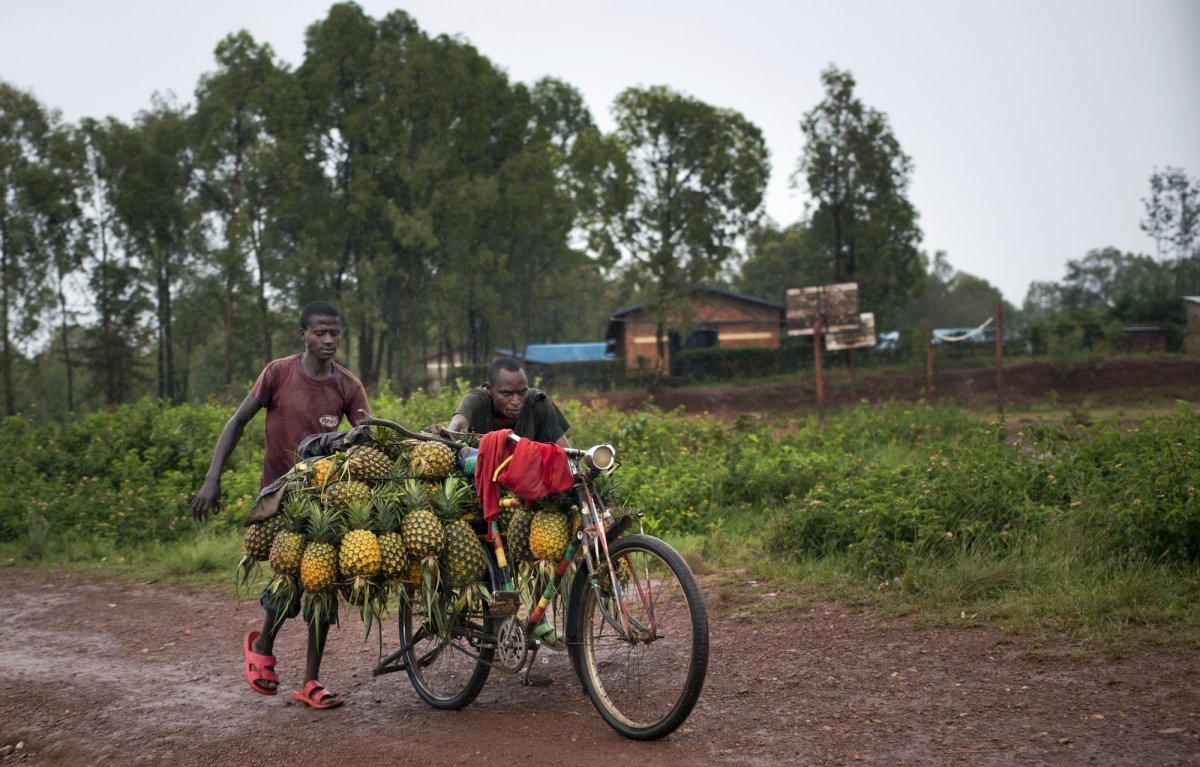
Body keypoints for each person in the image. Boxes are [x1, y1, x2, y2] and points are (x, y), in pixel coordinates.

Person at [191, 300, 370, 710]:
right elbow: (236, 422)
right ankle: (264, 644)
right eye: (320, 332)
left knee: (322, 585)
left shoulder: (347, 385)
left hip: (325, 503)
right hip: (279, 498)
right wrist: (211, 479)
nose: (328, 340)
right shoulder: (278, 373)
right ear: (302, 334)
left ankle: (310, 681)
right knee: (288, 580)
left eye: (335, 333)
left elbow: (366, 435)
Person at [443, 356, 570, 448]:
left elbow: (566, 452)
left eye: (522, 392)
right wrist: (445, 435)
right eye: (507, 394)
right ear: (489, 389)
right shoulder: (476, 401)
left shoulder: (538, 403)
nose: (516, 401)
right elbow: (456, 425)